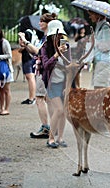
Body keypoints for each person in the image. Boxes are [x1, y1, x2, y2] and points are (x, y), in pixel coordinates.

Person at [18, 13, 57, 139]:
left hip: (43, 70)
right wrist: (26, 45)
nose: (39, 23)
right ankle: (52, 127)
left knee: (40, 98)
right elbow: (35, 52)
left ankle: (46, 127)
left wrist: (25, 41)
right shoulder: (49, 36)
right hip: (48, 70)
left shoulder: (47, 38)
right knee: (47, 99)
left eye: (41, 21)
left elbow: (38, 52)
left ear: (47, 24)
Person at [40, 19, 70, 148]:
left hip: (63, 83)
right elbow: (46, 66)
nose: (58, 38)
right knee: (58, 109)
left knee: (63, 111)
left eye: (60, 35)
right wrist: (57, 54)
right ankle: (51, 138)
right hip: (52, 83)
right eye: (56, 35)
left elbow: (70, 66)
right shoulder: (45, 48)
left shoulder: (66, 47)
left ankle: (60, 138)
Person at [87, 10, 110, 89]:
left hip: (103, 63)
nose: (90, 16)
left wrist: (94, 41)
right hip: (99, 62)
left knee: (100, 89)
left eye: (91, 14)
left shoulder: (105, 27)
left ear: (97, 15)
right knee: (97, 88)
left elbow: (107, 47)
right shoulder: (100, 26)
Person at [20, 29, 37, 105]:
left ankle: (32, 98)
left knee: (30, 77)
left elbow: (25, 45)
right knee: (30, 77)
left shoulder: (27, 33)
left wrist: (22, 40)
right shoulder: (32, 32)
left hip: (28, 58)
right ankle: (32, 97)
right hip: (30, 58)